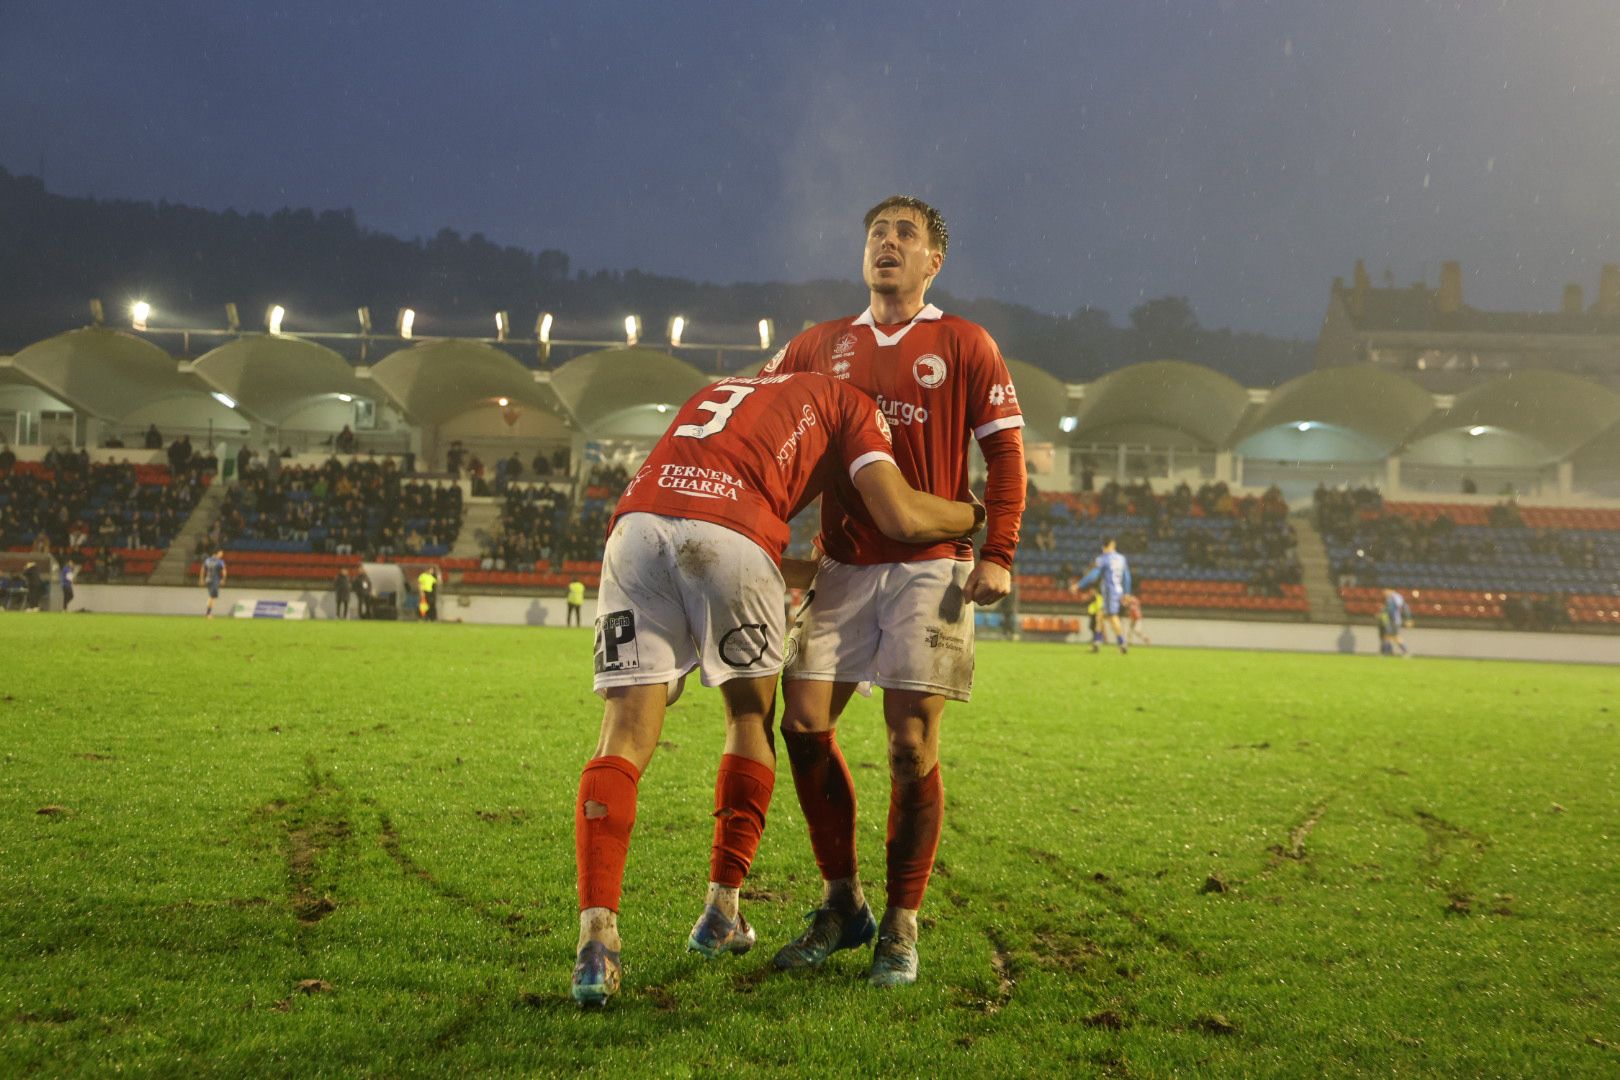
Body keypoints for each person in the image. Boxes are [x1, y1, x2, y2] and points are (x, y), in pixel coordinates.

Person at [569, 369, 984, 1007]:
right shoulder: (851, 400)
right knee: (749, 719)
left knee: (622, 735)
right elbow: (898, 512)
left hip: (635, 526)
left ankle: (596, 942)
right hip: (733, 531)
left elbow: (699, 516)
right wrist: (981, 513)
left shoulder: (732, 386)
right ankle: (721, 910)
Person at [766, 195, 1026, 988]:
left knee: (910, 746)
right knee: (803, 724)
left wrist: (998, 552)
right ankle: (843, 902)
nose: (887, 242)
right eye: (877, 232)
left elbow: (1005, 455)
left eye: (905, 234)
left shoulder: (965, 343)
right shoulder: (818, 345)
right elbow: (766, 430)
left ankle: (902, 924)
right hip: (843, 564)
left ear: (932, 262)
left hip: (931, 565)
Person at [1076, 538, 1132, 654]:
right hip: (1118, 590)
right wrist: (1127, 592)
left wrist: (1079, 585)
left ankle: (1122, 643)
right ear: (1113, 545)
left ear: (1103, 546)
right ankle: (1097, 643)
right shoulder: (1121, 558)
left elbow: (1093, 576)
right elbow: (1127, 576)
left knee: (1113, 617)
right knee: (1100, 615)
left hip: (1109, 591)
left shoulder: (1103, 559)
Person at [1379, 588, 1413, 656]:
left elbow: (1404, 607)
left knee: (1395, 636)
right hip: (1390, 621)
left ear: (1391, 590)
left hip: (1394, 621)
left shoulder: (1396, 597)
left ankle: (1406, 652)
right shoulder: (1390, 598)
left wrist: (1408, 619)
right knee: (1387, 636)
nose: (1384, 592)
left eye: (1386, 591)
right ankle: (1384, 652)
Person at [199, 549, 226, 618]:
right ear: (217, 553)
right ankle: (208, 613)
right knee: (212, 597)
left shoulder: (207, 560)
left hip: (208, 580)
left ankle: (208, 613)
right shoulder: (220, 561)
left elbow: (203, 569)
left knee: (211, 596)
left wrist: (201, 579)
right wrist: (223, 579)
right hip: (215, 580)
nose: (222, 555)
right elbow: (224, 572)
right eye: (221, 553)